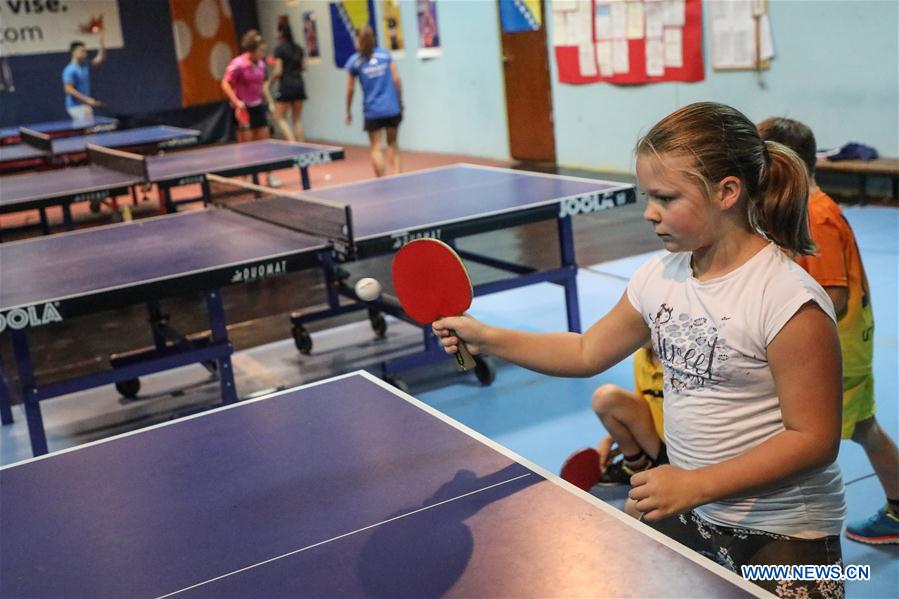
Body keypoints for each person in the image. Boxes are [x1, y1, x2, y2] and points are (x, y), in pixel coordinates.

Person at [435, 102, 846, 597]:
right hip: (694, 506)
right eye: (647, 196)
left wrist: (697, 484)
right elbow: (586, 351)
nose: (649, 212)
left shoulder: (787, 300)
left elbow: (814, 440)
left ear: (727, 192)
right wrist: (487, 337)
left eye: (665, 198)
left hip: (784, 531)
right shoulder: (660, 275)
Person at [759, 116, 899, 546]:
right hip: (849, 344)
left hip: (838, 352)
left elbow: (831, 296)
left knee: (809, 442)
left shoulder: (815, 215)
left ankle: (804, 539)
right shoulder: (809, 208)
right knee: (865, 428)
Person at [592, 344, 666, 491]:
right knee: (604, 398)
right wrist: (610, 439)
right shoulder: (640, 357)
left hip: (686, 449)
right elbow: (641, 406)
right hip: (658, 447)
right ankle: (638, 464)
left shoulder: (686, 363)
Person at [221, 29, 279, 187]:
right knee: (246, 147)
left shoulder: (261, 64)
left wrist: (270, 102)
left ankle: (269, 175)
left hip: (258, 106)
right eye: (260, 51)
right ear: (251, 50)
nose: (262, 54)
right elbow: (225, 83)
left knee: (265, 144)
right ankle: (246, 177)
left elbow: (263, 86)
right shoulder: (238, 65)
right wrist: (237, 101)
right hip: (243, 109)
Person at [344, 24, 403, 177]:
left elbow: (350, 89)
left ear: (359, 40)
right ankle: (398, 178)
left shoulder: (355, 62)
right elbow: (396, 79)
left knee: (376, 147)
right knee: (392, 144)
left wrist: (348, 111)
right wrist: (400, 101)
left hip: (372, 112)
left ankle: (382, 181)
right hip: (391, 108)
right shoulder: (385, 55)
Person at [268, 21, 306, 142]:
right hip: (299, 84)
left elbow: (278, 72)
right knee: (297, 119)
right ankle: (302, 145)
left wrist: (270, 83)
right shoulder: (298, 48)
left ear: (280, 33)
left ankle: (292, 143)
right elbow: (305, 67)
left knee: (279, 117)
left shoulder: (279, 49)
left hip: (286, 85)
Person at [62, 36, 105, 121]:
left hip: (85, 106)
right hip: (76, 107)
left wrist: (102, 44)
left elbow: (99, 60)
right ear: (74, 52)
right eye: (82, 51)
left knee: (89, 128)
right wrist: (86, 100)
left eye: (85, 51)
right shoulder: (70, 70)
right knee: (85, 129)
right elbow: (68, 89)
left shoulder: (85, 65)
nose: (85, 53)